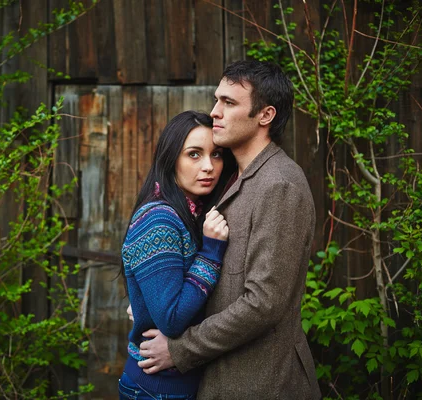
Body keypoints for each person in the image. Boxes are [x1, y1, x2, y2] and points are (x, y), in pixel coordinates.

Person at [135, 60, 322, 399]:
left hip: (262, 382)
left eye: (229, 103)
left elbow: (263, 303)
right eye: (216, 99)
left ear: (265, 115)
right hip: (220, 379)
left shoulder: (278, 185)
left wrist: (180, 348)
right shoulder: (229, 179)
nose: (215, 111)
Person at [119, 110, 236, 399]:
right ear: (171, 159)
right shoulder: (159, 219)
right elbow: (171, 318)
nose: (209, 166)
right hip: (156, 389)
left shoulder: (192, 213)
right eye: (194, 155)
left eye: (217, 155)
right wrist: (211, 252)